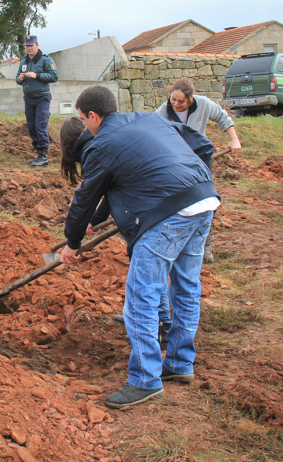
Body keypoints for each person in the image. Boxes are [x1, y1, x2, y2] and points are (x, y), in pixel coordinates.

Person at [60, 86, 219, 408]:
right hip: (205, 201)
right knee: (186, 286)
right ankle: (179, 364)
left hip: (168, 216)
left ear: (93, 116)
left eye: (83, 119)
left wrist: (72, 244)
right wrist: (194, 183)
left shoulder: (101, 144)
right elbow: (204, 146)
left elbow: (84, 200)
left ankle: (145, 380)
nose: (85, 126)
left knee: (142, 294)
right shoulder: (150, 119)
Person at [155, 77, 241, 262]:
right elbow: (151, 134)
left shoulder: (204, 104)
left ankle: (204, 245)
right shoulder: (162, 112)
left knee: (206, 200)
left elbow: (223, 118)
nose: (176, 104)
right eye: (173, 99)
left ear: (191, 99)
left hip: (200, 160)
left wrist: (234, 139)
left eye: (181, 101)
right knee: (179, 204)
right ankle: (177, 244)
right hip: (176, 163)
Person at [16, 35, 58, 168]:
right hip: (28, 98)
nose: (29, 48)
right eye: (27, 46)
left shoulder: (46, 60)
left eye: (31, 45)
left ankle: (44, 157)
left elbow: (54, 76)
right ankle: (39, 154)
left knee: (40, 126)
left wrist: (37, 75)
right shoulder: (24, 61)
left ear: (37, 45)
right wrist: (20, 78)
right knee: (32, 127)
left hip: (42, 98)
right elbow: (17, 78)